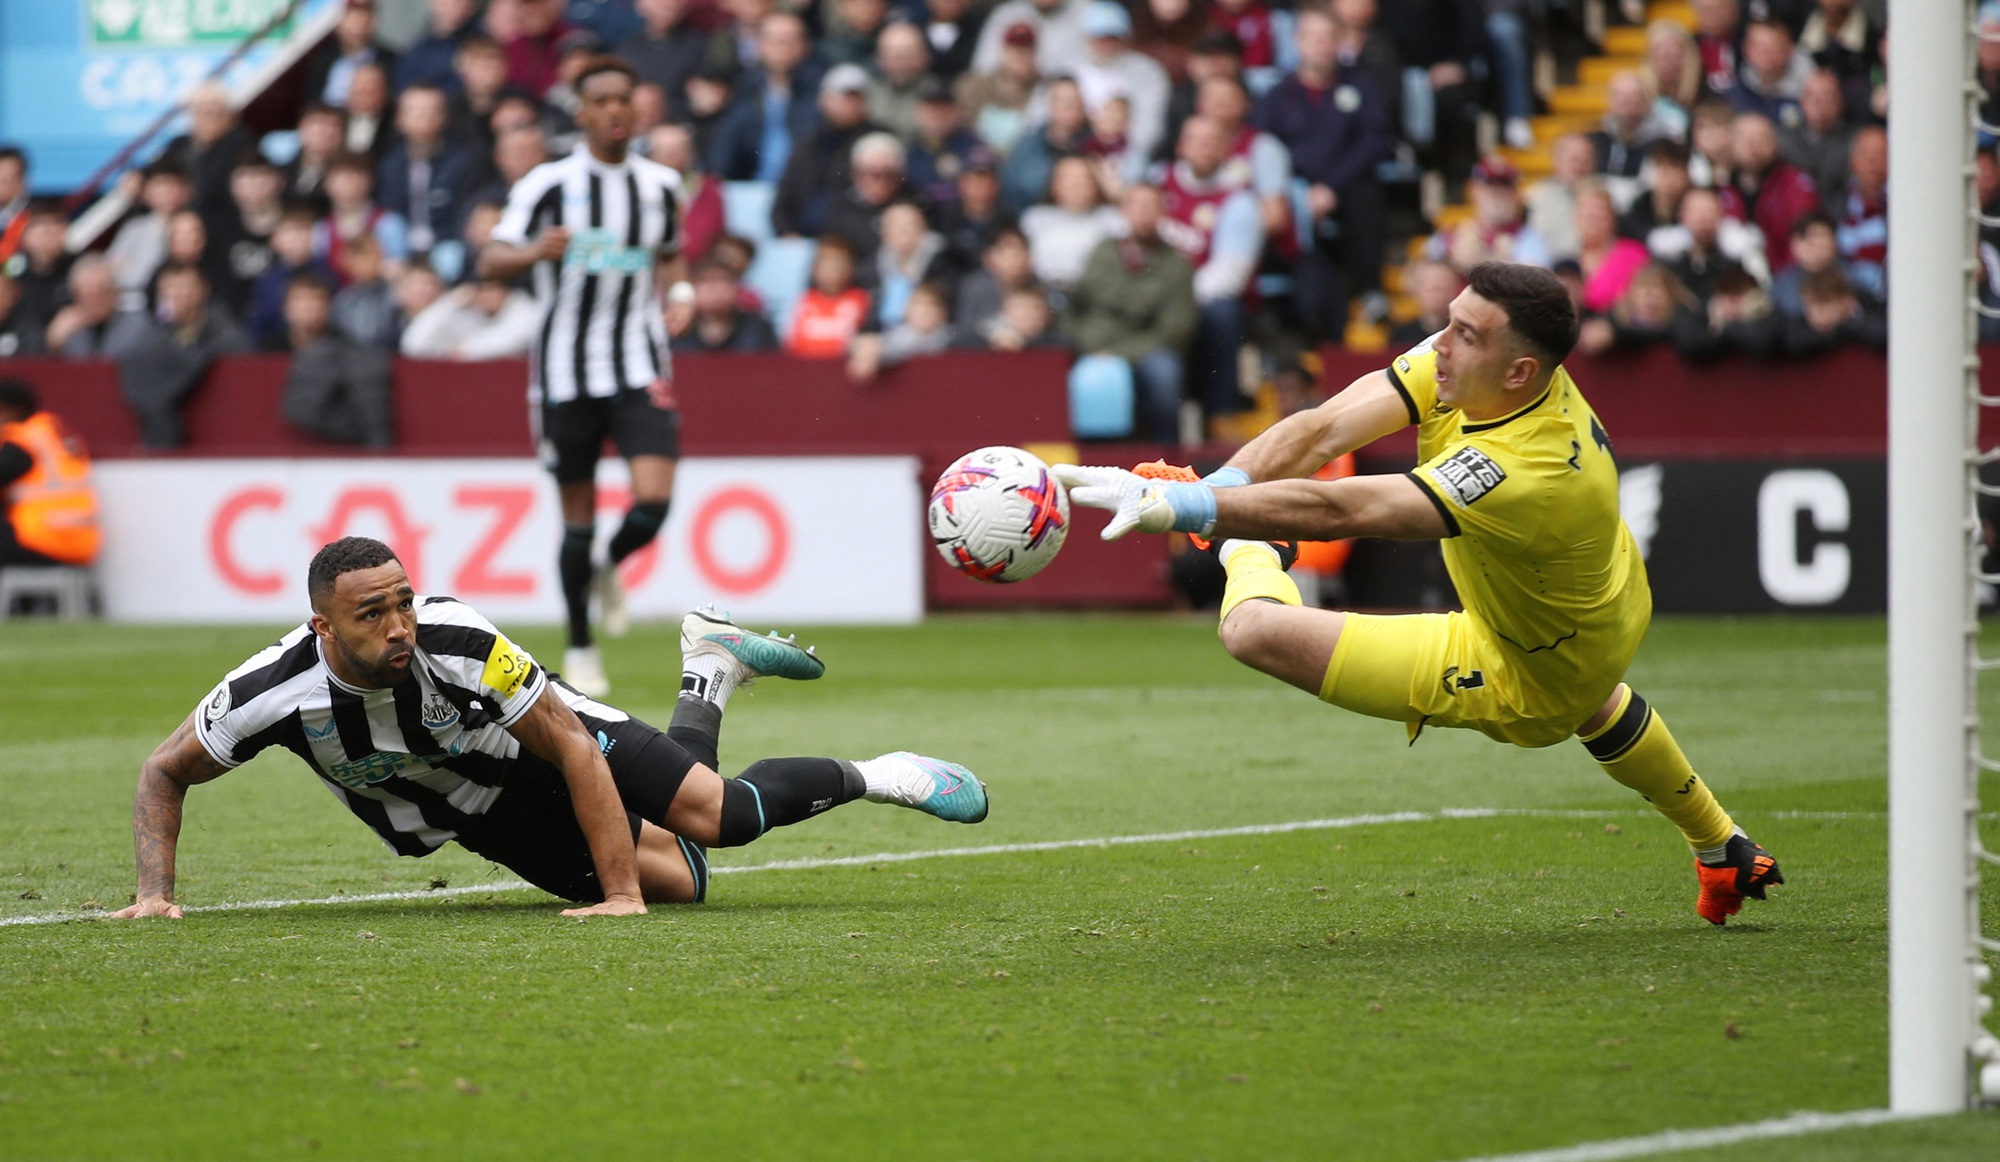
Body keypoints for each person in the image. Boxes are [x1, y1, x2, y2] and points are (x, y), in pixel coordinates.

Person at [1052, 262, 1785, 927]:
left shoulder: (1522, 467)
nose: (1442, 342)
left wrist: (1201, 515)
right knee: (1596, 694)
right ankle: (1723, 845)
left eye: (1465, 333)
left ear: (1520, 371)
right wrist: (1215, 488)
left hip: (1528, 665)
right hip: (1600, 608)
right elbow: (1323, 426)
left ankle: (1254, 551)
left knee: (1253, 631)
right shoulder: (1466, 367)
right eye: (1451, 318)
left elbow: (1349, 512)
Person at [108, 536, 988, 921]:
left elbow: (568, 743)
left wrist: (619, 898)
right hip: (483, 817)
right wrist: (154, 893)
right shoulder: (270, 690)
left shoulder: (461, 641)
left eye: (404, 602)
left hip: (543, 734)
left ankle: (881, 773)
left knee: (720, 818)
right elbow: (164, 770)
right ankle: (709, 669)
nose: (400, 627)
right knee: (690, 879)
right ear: (323, 630)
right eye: (373, 615)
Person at [479, 57, 684, 698]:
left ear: (638, 107)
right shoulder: (549, 183)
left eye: (626, 97)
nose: (616, 110)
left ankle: (607, 570)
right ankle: (580, 642)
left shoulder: (661, 186)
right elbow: (490, 256)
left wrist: (680, 296)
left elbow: (671, 256)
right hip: (566, 372)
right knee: (577, 518)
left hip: (639, 361)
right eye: (603, 100)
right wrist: (533, 251)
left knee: (653, 502)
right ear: (582, 113)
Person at [1255, 8, 1394, 335]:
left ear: (1340, 42)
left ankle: (1370, 290)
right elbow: (1262, 149)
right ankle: (1301, 314)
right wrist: (1300, 193)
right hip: (1293, 191)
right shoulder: (1277, 95)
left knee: (1367, 194)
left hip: (1346, 185)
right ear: (1297, 42)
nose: (1320, 45)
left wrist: (1330, 187)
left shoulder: (1361, 86)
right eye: (1312, 37)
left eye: (1328, 37)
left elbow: (1374, 141)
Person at [1061, 184, 1196, 443]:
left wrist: (1116, 354)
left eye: (1151, 207)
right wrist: (1081, 344)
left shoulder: (1177, 265)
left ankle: (1166, 456)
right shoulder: (1102, 251)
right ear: (1123, 211)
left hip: (1144, 352)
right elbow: (1074, 304)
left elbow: (1176, 330)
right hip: (1090, 345)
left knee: (1165, 372)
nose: (1144, 214)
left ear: (1163, 214)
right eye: (1137, 206)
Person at [1156, 116, 1263, 424]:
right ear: (1180, 146)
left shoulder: (1239, 200)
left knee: (1222, 311)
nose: (1202, 148)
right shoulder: (1157, 183)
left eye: (1211, 141)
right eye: (1195, 140)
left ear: (1225, 150)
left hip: (1203, 301)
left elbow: (1230, 274)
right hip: (1153, 297)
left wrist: (1176, 300)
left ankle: (1220, 414)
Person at [104, 263, 250, 447]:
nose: (178, 294)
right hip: (165, 439)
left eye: (185, 287)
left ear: (203, 289)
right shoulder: (150, 335)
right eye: (169, 288)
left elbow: (241, 368)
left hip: (226, 436)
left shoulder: (224, 332)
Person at [277, 273, 395, 447]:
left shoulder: (348, 350)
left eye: (316, 300)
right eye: (301, 300)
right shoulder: (266, 347)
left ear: (328, 308)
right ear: (287, 308)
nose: (308, 307)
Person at [706, 12, 823, 182]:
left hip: (802, 192)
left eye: (789, 40)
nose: (782, 48)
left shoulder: (820, 90)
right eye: (774, 40)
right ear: (760, 45)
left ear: (804, 46)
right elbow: (725, 147)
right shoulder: (743, 89)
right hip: (749, 188)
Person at [772, 64, 881, 241]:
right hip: (801, 240)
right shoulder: (808, 143)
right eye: (843, 97)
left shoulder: (879, 141)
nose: (849, 104)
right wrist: (786, 232)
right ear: (823, 99)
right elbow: (784, 198)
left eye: (856, 97)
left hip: (852, 242)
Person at [0, 379, 99, 569]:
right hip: (79, 541)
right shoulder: (54, 432)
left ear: (12, 409)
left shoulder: (25, 440)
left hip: (46, 539)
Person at [376, 84, 474, 257]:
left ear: (445, 117)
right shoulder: (389, 165)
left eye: (431, 110)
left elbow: (464, 217)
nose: (424, 117)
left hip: (447, 245)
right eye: (415, 111)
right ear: (399, 118)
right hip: (401, 251)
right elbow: (388, 211)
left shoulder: (462, 163)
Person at [1718, 111, 1819, 270]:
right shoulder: (1723, 189)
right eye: (1745, 140)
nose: (1754, 147)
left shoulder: (1795, 185)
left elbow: (1807, 240)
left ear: (1775, 143)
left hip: (1787, 278)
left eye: (1761, 139)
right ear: (1732, 144)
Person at [1020, 156, 1126, 292]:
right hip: (1044, 293)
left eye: (1083, 179)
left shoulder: (1113, 218)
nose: (1076, 185)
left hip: (1098, 294)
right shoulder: (1035, 219)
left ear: (1096, 185)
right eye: (1068, 179)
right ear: (1054, 185)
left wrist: (1120, 196)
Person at [107, 165, 191, 311]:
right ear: (146, 191)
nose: (167, 191)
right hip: (129, 305)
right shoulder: (133, 229)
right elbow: (112, 270)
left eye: (173, 184)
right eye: (160, 184)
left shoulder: (192, 226)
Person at [956, 21, 1043, 156]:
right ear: (1003, 50)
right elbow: (963, 127)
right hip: (979, 160)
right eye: (1015, 49)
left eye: (1027, 50)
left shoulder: (1044, 88)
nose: (1021, 56)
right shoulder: (975, 85)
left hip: (1022, 159)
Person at [399, 276, 541, 358]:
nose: (488, 295)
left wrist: (467, 350)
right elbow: (414, 345)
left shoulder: (524, 308)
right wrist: (449, 302)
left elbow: (518, 338)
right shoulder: (466, 315)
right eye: (482, 289)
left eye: (494, 288)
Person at [302, 0, 399, 110]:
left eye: (364, 15)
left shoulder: (391, 60)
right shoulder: (322, 61)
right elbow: (311, 104)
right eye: (351, 16)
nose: (358, 23)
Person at [786, 236, 873, 357]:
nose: (832, 268)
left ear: (851, 268)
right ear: (814, 268)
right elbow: (793, 345)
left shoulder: (861, 299)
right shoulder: (804, 300)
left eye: (839, 261)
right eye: (826, 262)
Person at [669, 259, 779, 352]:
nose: (716, 289)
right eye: (707, 282)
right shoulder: (679, 331)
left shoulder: (758, 330)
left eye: (723, 281)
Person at [47, 256, 124, 358]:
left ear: (115, 293)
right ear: (75, 296)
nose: (95, 301)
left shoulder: (135, 329)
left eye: (101, 292)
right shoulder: (71, 328)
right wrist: (52, 343)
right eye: (88, 294)